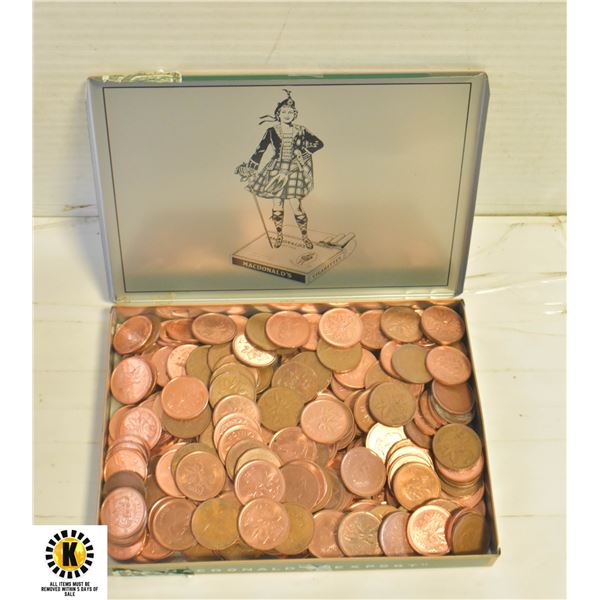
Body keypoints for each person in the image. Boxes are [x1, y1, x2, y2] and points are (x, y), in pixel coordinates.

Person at [235, 89, 324, 249]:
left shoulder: (301, 130)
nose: (287, 115)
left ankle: (305, 237)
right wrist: (250, 169)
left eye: (290, 112)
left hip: (294, 170)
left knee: (296, 205)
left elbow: (319, 143)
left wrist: (304, 153)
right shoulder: (271, 131)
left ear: (295, 114)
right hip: (275, 169)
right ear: (278, 114)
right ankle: (279, 235)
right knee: (277, 204)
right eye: (284, 112)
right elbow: (260, 150)